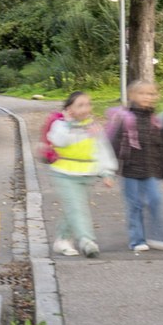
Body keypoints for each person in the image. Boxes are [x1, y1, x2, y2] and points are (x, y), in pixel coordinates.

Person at [106, 81, 163, 252]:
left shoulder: (156, 121)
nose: (147, 97)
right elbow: (113, 144)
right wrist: (109, 171)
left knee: (156, 200)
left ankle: (157, 236)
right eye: (142, 93)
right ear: (132, 96)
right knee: (135, 205)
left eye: (151, 94)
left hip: (151, 169)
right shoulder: (124, 118)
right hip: (130, 170)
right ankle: (137, 240)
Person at [48, 90, 116, 257]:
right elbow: (58, 140)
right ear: (69, 109)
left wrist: (107, 172)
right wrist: (70, 125)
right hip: (64, 174)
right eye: (80, 105)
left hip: (86, 174)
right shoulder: (60, 125)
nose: (86, 108)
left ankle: (62, 240)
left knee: (73, 208)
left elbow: (102, 150)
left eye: (88, 104)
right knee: (77, 208)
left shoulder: (93, 127)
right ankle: (87, 241)